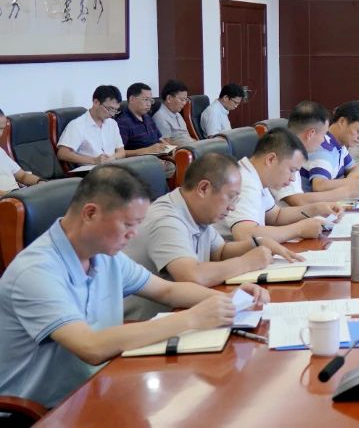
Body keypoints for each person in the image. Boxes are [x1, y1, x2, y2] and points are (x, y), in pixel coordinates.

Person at [0, 165, 267, 409]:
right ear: (90, 213)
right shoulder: (36, 271)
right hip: (44, 411)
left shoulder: (104, 254)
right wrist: (192, 318)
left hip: (100, 385)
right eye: (128, 224)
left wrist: (229, 300)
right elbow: (90, 347)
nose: (134, 234)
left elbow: (166, 291)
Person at [123, 153, 297, 320]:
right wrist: (248, 262)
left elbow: (219, 251)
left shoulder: (195, 211)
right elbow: (191, 276)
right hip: (146, 323)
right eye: (231, 197)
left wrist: (257, 243)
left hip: (185, 311)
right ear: (204, 188)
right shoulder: (166, 219)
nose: (232, 207)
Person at [218, 128, 344, 242]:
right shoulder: (243, 182)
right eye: (291, 170)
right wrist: (299, 229)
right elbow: (246, 235)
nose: (293, 179)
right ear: (271, 159)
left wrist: (316, 209)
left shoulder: (255, 176)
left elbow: (275, 216)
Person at [275, 101, 359, 207]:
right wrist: (345, 193)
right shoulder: (283, 155)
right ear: (311, 134)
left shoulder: (296, 153)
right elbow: (298, 201)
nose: (323, 140)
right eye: (323, 134)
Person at [301, 100, 359, 193]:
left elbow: (355, 168)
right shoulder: (323, 147)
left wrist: (350, 181)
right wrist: (354, 182)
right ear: (342, 122)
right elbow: (319, 186)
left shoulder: (339, 145)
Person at [57, 85, 126, 167]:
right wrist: (94, 160)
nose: (112, 114)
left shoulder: (112, 124)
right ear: (96, 102)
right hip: (90, 171)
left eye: (116, 110)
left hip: (112, 167)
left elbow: (121, 151)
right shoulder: (77, 125)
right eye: (110, 109)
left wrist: (112, 158)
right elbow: (62, 153)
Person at [0, 109, 44, 192]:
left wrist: (40, 182)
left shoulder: (1, 151)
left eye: (1, 129)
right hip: (9, 197)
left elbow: (22, 176)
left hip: (16, 195)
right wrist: (11, 196)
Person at [154, 79, 194, 147]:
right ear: (169, 98)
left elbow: (187, 137)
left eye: (185, 99)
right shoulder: (160, 118)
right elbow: (167, 146)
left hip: (191, 148)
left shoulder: (177, 114)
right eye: (182, 99)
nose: (184, 103)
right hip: (182, 151)